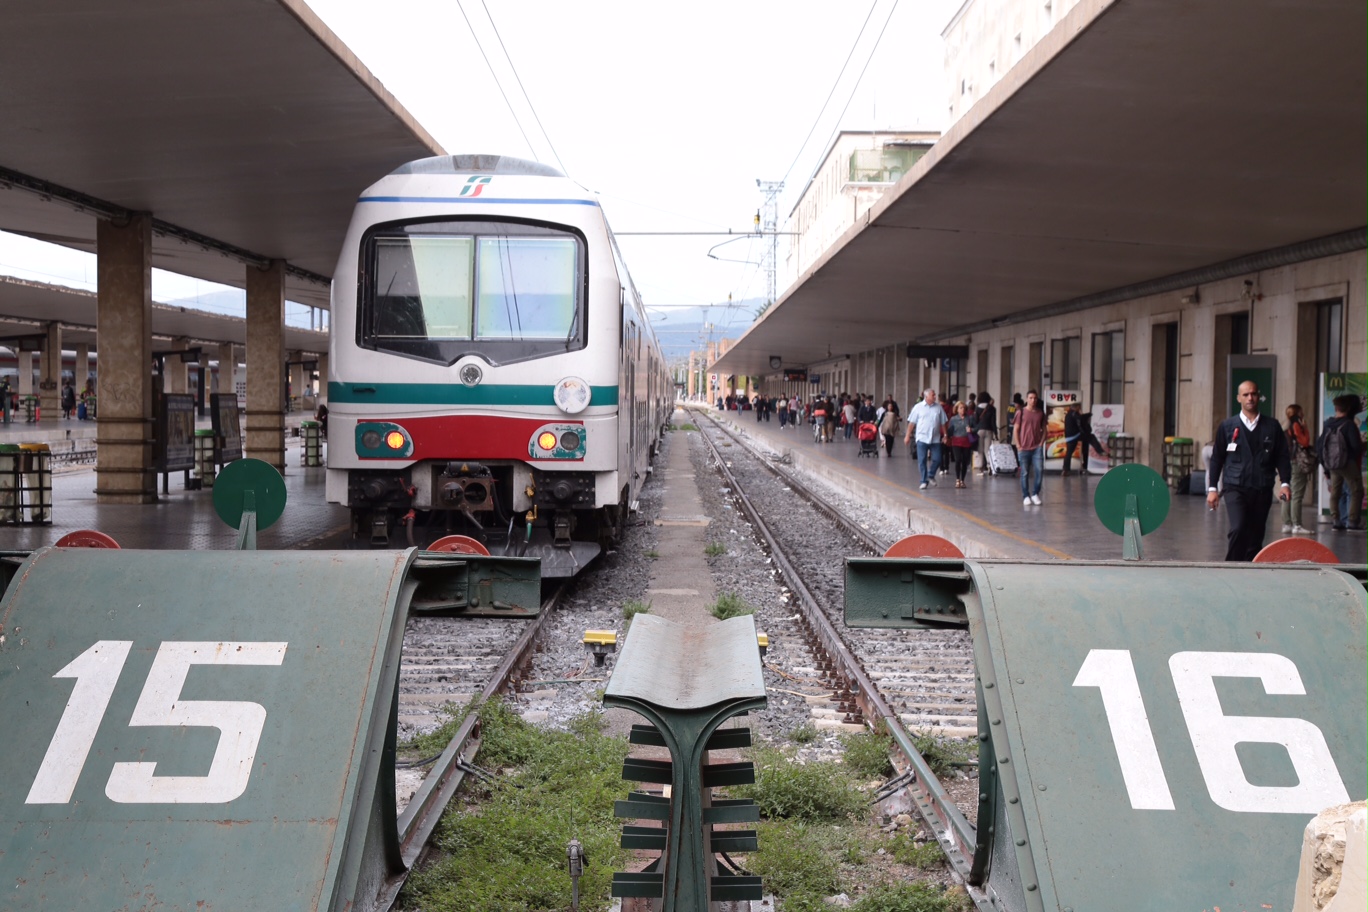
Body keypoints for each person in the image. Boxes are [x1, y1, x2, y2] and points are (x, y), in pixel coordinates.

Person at [1206, 381, 1292, 560]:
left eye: (1253, 394)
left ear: (1258, 396)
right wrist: (1212, 489)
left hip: (1262, 488)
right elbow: (1217, 458)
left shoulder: (1272, 426)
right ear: (1239, 398)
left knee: (1256, 534)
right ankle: (1232, 568)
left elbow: (1282, 456)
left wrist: (1285, 483)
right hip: (1235, 487)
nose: (1250, 398)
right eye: (1245, 395)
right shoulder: (1228, 426)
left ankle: (1251, 571)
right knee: (1238, 527)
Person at [1318, 392, 1364, 532]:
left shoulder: (1328, 424)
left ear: (1336, 408)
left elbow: (1320, 446)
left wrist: (1326, 467)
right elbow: (1356, 446)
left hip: (1332, 464)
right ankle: (1352, 522)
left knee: (1335, 492)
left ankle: (1336, 521)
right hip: (1347, 462)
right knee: (1357, 491)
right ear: (1349, 409)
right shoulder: (1348, 424)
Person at [904, 388, 948, 487]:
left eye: (935, 394)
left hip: (935, 438)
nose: (935, 396)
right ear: (926, 396)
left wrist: (945, 435)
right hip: (922, 438)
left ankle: (931, 474)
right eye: (933, 395)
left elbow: (943, 422)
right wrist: (907, 436)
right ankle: (923, 481)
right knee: (922, 460)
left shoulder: (939, 408)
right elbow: (911, 423)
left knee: (938, 459)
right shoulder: (918, 407)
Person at [1282, 403, 1314, 534]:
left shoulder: (1285, 425)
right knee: (1297, 494)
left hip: (1287, 462)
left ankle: (1286, 523)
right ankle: (1297, 524)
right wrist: (1305, 428)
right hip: (1297, 462)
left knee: (1287, 493)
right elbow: (1305, 441)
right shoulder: (1296, 424)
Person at [1013, 389, 1047, 506]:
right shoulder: (1020, 413)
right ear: (1027, 399)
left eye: (1035, 398)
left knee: (1039, 470)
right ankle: (1025, 495)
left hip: (1036, 447)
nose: (1033, 400)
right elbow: (1016, 429)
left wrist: (1041, 443)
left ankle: (1035, 493)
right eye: (1031, 398)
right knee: (1025, 473)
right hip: (1023, 447)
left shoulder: (1040, 413)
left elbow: (1044, 429)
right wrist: (1018, 445)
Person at [946, 401, 974, 488]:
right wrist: (946, 435)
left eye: (964, 408)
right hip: (956, 441)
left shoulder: (969, 418)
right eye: (960, 408)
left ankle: (962, 480)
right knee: (958, 459)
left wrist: (971, 429)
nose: (962, 410)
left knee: (965, 461)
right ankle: (957, 479)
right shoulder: (953, 419)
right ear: (957, 409)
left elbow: (976, 427)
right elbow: (950, 431)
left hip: (966, 441)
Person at [976, 393, 997, 475]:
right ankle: (989, 466)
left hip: (979, 430)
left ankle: (981, 467)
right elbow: (993, 422)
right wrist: (996, 433)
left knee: (980, 450)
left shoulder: (977, 408)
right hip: (989, 430)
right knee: (988, 450)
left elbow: (976, 420)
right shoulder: (992, 408)